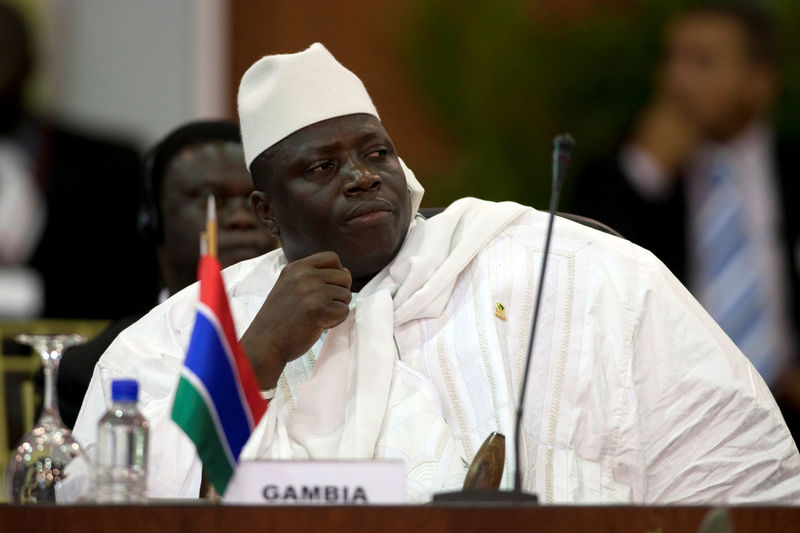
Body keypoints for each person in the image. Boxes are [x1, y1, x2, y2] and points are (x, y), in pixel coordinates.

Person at [74, 43, 800, 504]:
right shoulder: (178, 337)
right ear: (266, 212)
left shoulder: (561, 267)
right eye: (323, 167)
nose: (361, 178)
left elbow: (743, 474)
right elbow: (104, 508)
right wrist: (254, 356)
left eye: (376, 154)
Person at [571, 2, 800, 417]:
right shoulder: (620, 170)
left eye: (702, 62)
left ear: (760, 81)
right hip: (672, 413)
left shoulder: (791, 168)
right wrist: (646, 172)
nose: (676, 80)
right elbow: (586, 277)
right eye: (671, 58)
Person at [49, 120, 278, 429]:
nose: (240, 218)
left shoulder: (322, 345)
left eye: (255, 200)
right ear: (152, 220)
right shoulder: (92, 366)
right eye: (211, 199)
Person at [0, 4, 158, 318]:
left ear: (32, 61)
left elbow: (132, 285)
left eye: (2, 51)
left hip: (79, 356)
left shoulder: (110, 166)